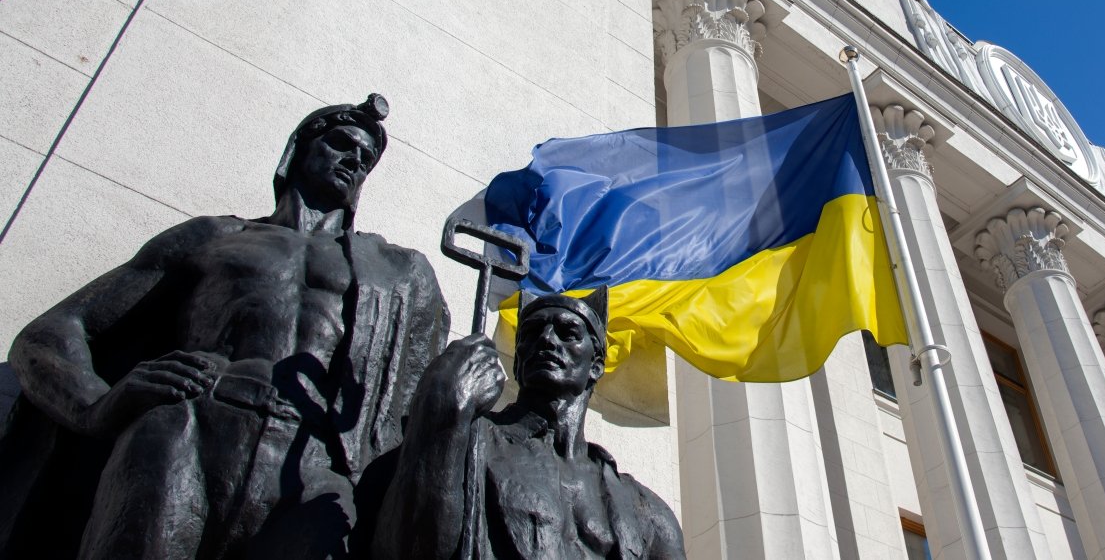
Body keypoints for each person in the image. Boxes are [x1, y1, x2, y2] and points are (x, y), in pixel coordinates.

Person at [0, 94, 448, 560]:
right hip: (187, 428)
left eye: (366, 157)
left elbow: (416, 406)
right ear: (298, 149)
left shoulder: (397, 272)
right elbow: (51, 332)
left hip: (311, 460)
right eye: (340, 143)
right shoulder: (215, 236)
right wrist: (95, 405)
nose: (355, 158)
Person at [373, 287, 684, 559]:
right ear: (518, 362)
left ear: (596, 365)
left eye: (568, 333)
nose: (547, 340)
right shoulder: (468, 442)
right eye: (533, 332)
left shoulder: (647, 511)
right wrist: (441, 411)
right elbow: (407, 550)